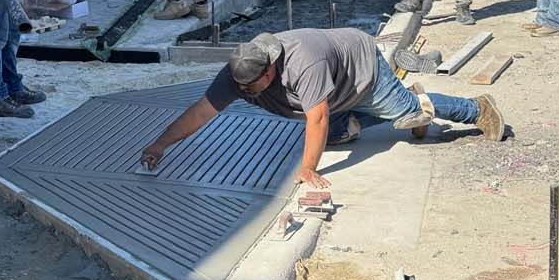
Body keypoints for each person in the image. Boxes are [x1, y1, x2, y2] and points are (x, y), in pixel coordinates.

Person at [139, 30, 505, 188]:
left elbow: (316, 115)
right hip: (334, 91)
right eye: (240, 89)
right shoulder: (239, 71)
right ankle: (398, 107)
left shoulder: (303, 65)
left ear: (270, 70)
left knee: (407, 114)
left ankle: (475, 109)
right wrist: (160, 144)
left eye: (250, 89)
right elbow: (200, 111)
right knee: (331, 136)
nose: (244, 94)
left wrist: (307, 169)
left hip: (363, 72)